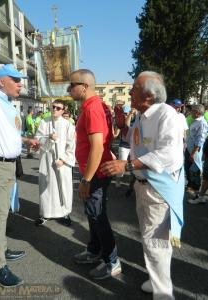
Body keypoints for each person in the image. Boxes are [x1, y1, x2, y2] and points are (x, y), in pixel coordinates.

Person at [101, 71, 185, 299]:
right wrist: (122, 125)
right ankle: (156, 279)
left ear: (148, 95)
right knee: (151, 241)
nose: (129, 92)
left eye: (134, 89)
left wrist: (127, 166)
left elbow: (169, 155)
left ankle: (163, 294)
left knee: (156, 244)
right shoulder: (143, 114)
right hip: (143, 185)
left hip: (159, 189)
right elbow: (137, 144)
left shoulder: (166, 115)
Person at [0, 64, 39, 287]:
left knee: (2, 213)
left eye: (20, 80)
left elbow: (7, 134)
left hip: (8, 166)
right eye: (15, 79)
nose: (20, 84)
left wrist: (25, 141)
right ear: (0, 81)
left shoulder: (8, 104)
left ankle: (2, 250)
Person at [67, 69, 121, 280]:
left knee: (98, 216)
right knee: (92, 213)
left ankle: (112, 261)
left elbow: (97, 147)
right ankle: (94, 250)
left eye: (72, 85)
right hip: (94, 171)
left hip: (95, 173)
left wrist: (86, 180)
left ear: (85, 86)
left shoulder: (93, 108)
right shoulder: (94, 106)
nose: (69, 89)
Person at [35, 100, 75, 226]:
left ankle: (64, 213)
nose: (55, 110)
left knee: (63, 187)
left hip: (61, 162)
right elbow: (37, 139)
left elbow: (72, 145)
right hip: (47, 160)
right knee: (46, 189)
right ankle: (45, 214)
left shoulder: (68, 125)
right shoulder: (44, 122)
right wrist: (48, 138)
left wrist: (63, 160)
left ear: (63, 110)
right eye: (53, 107)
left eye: (58, 108)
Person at [185, 104, 207, 196]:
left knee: (195, 170)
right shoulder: (195, 121)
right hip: (189, 149)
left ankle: (195, 188)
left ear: (197, 113)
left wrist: (192, 154)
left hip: (194, 151)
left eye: (193, 111)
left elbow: (200, 141)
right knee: (188, 168)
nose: (191, 112)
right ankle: (190, 185)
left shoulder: (202, 123)